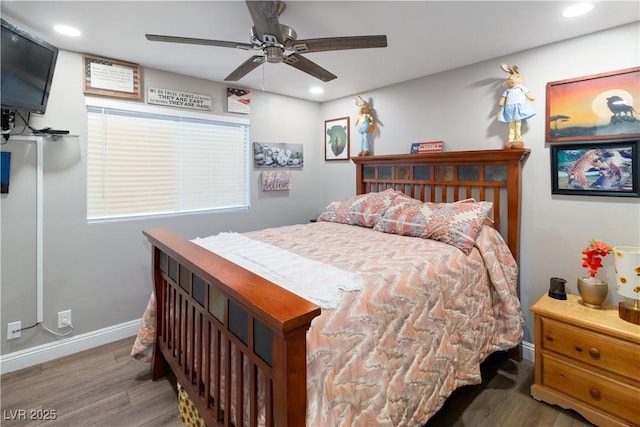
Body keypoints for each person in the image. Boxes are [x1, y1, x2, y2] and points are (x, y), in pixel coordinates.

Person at [497, 64, 535, 148]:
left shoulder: (521, 87)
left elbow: (530, 96)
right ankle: (510, 140)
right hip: (510, 109)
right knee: (511, 125)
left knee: (518, 125)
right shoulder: (508, 91)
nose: (511, 80)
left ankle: (518, 139)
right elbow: (502, 100)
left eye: (514, 78)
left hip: (518, 108)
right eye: (510, 79)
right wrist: (501, 102)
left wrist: (530, 97)